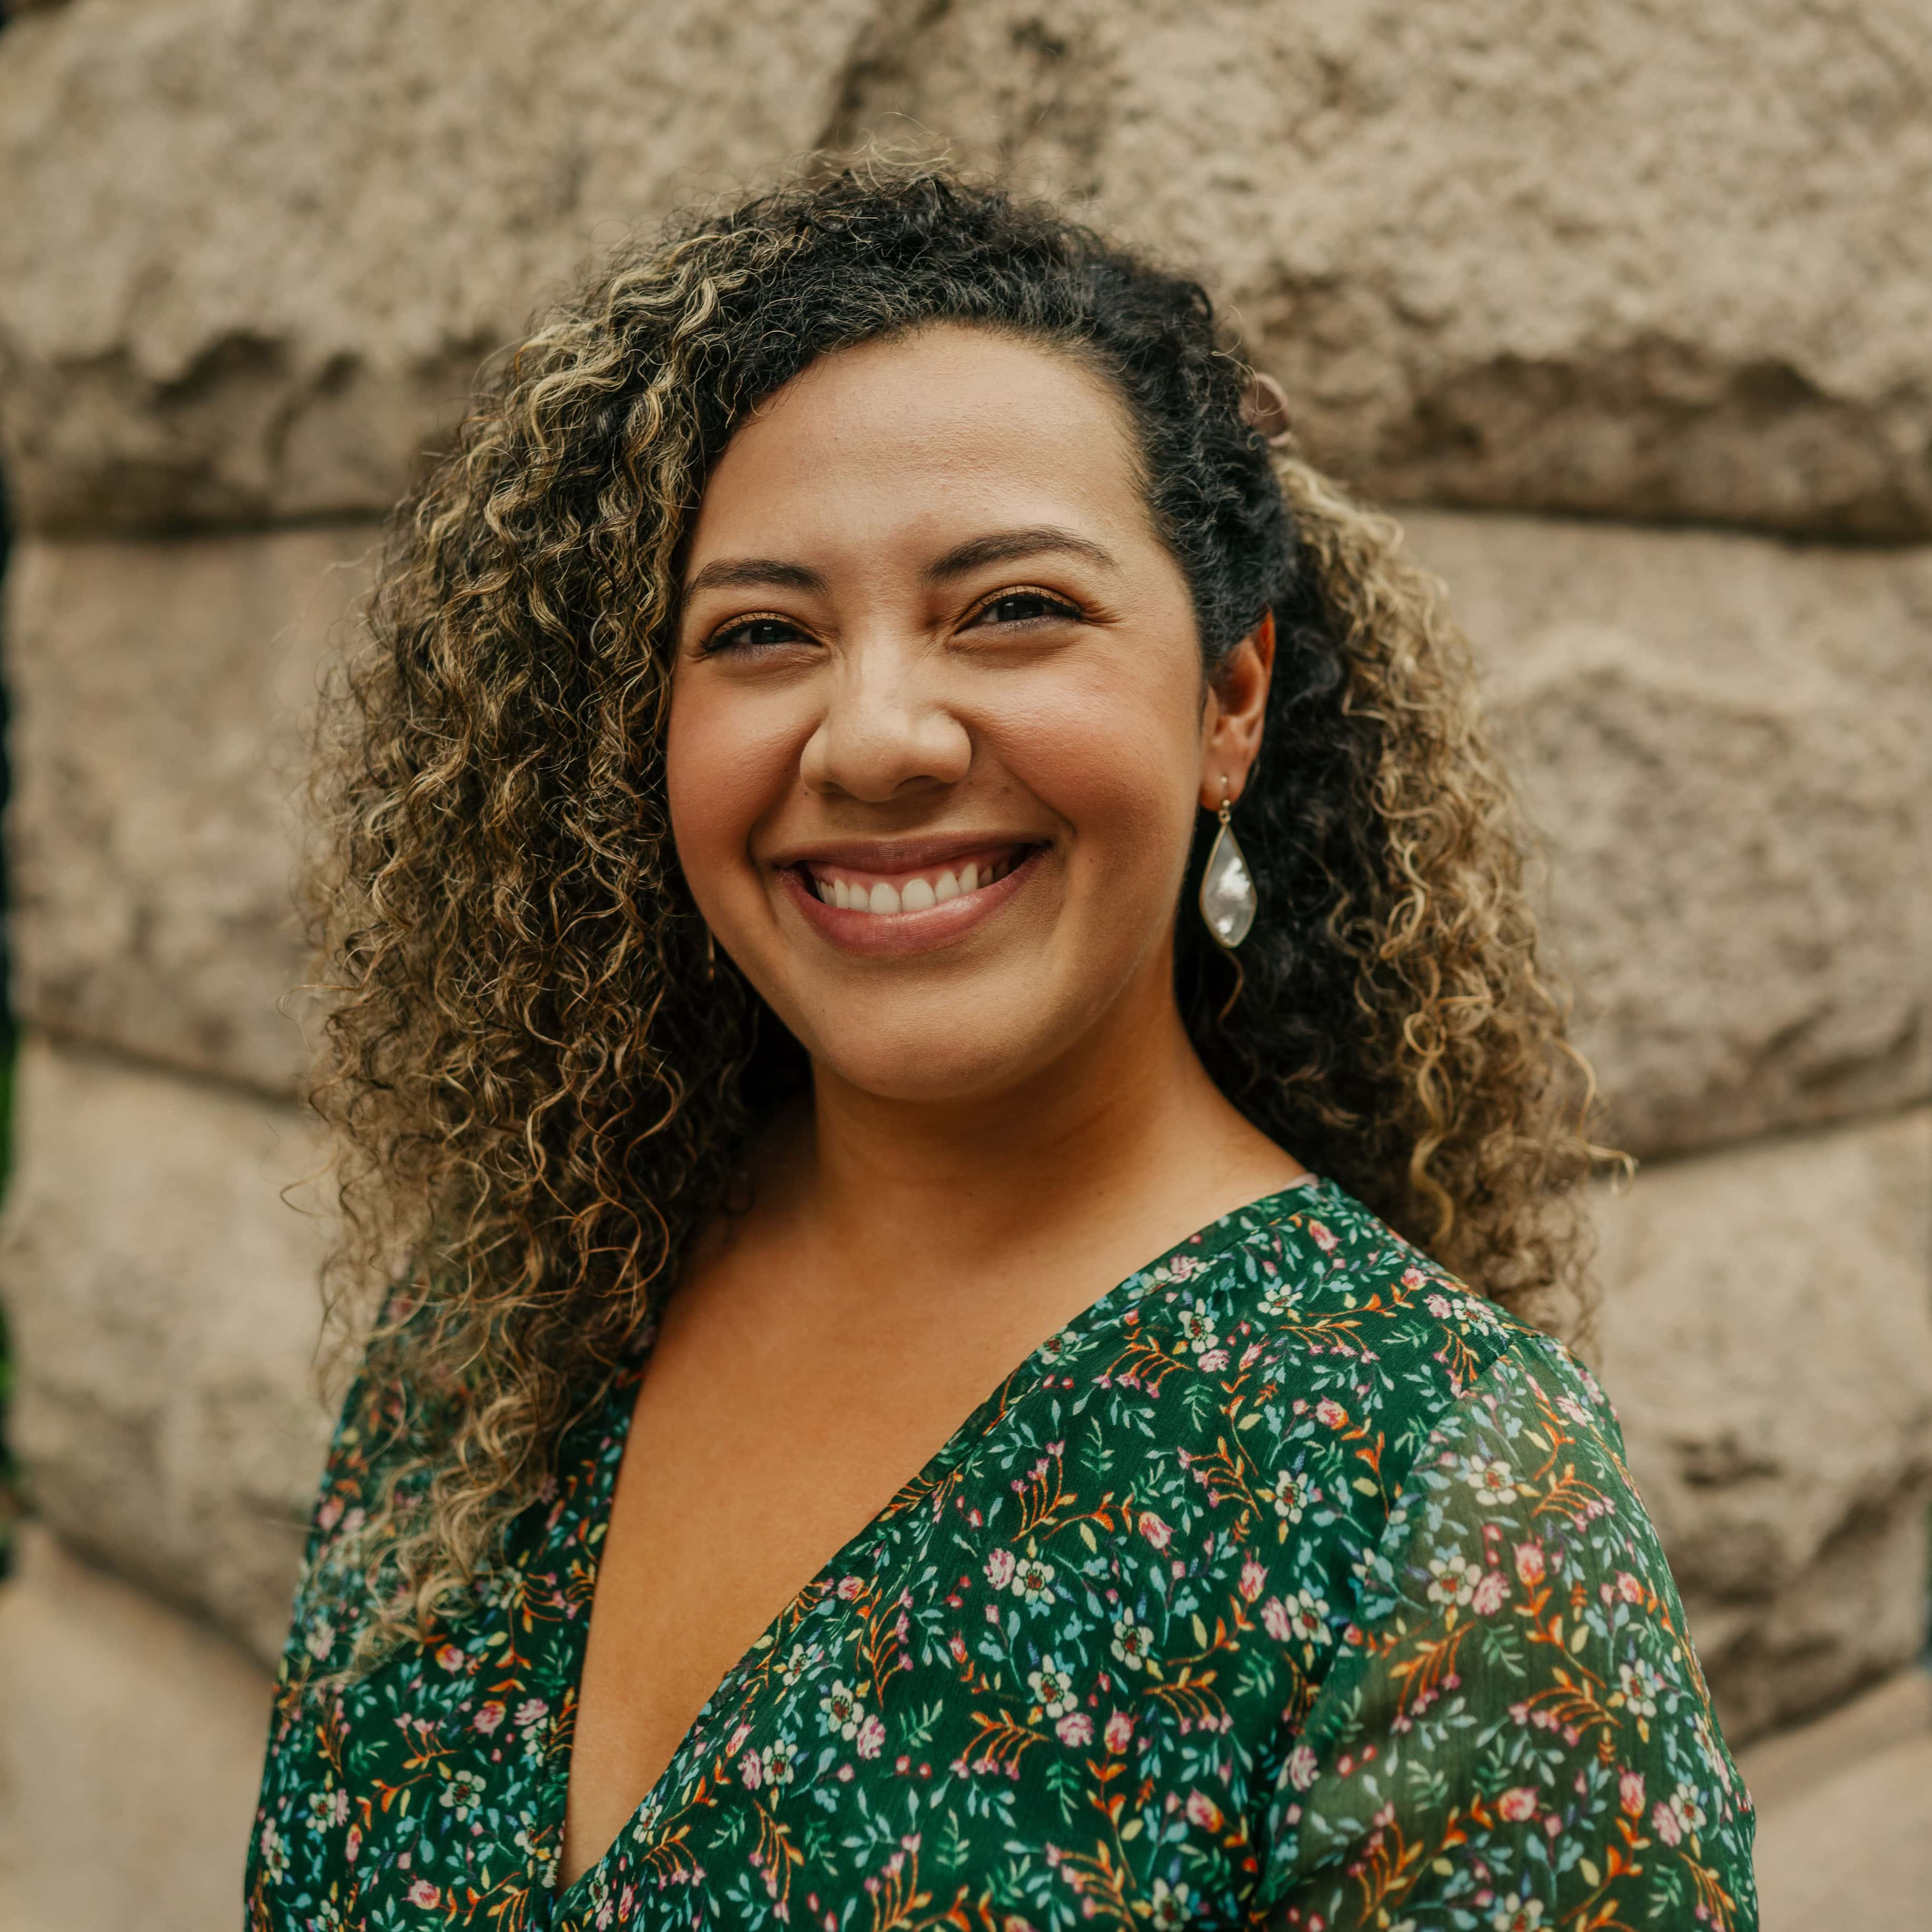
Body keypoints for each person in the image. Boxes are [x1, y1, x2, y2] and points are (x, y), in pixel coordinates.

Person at [246, 165, 1755, 1931]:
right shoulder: (515, 1319)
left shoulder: (1447, 1504)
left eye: (1014, 608)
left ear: (1229, 701)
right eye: (760, 634)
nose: (876, 737)